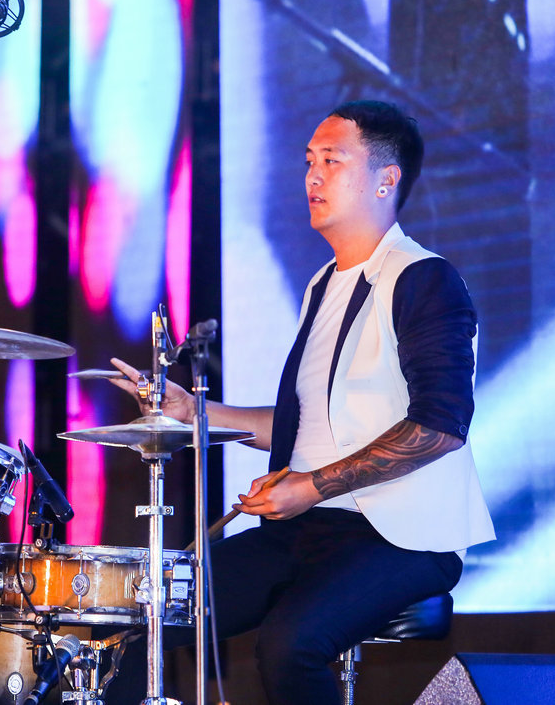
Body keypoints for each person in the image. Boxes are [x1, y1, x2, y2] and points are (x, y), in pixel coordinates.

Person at [108, 100, 495, 704]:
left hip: (401, 536)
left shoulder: (424, 278)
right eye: (309, 161)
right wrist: (194, 413)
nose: (313, 175)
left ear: (386, 180)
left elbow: (440, 426)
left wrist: (311, 486)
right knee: (143, 619)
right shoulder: (322, 284)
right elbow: (304, 426)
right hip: (305, 529)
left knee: (291, 646)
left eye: (332, 161)